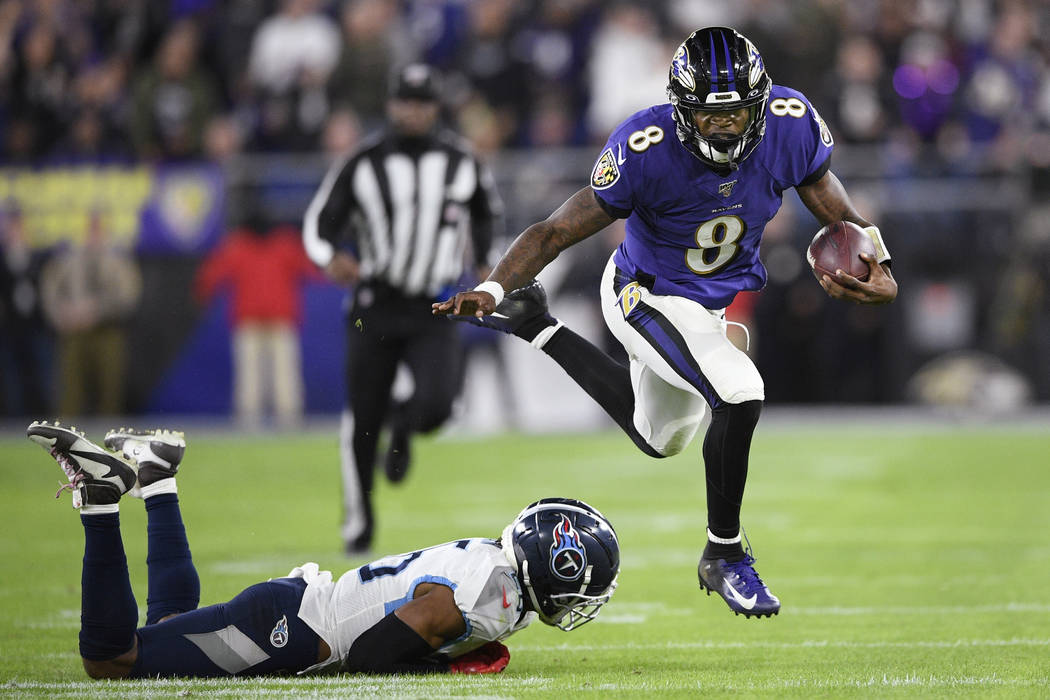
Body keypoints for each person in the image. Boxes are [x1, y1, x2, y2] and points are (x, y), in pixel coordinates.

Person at [434, 27, 898, 618]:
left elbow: (828, 197)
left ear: (760, 104)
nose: (727, 128)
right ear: (683, 113)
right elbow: (554, 230)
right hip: (641, 293)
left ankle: (538, 327)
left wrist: (876, 259)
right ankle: (725, 555)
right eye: (711, 116)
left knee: (662, 438)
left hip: (707, 304)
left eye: (736, 113)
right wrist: (495, 285)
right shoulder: (646, 145)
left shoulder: (790, 121)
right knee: (740, 389)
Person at [25, 420, 619, 678]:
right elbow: (368, 655)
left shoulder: (496, 573)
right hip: (291, 628)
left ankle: (157, 479)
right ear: (554, 570)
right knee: (112, 661)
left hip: (294, 610)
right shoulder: (491, 597)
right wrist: (444, 659)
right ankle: (103, 502)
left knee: (169, 633)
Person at [303, 63, 504, 555]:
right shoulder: (364, 161)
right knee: (362, 417)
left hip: (432, 305)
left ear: (435, 107)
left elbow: (487, 215)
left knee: (439, 404)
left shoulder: (462, 161)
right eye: (405, 101)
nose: (413, 111)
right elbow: (319, 223)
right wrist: (332, 257)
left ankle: (405, 425)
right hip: (371, 302)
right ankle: (359, 523)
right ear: (391, 104)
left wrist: (487, 265)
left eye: (422, 102)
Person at [194, 208, 321, 429]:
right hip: (258, 320)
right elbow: (312, 270)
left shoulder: (251, 244)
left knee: (269, 373)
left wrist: (203, 292)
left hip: (268, 319)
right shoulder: (256, 244)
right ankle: (255, 421)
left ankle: (281, 420)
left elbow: (210, 276)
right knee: (264, 374)